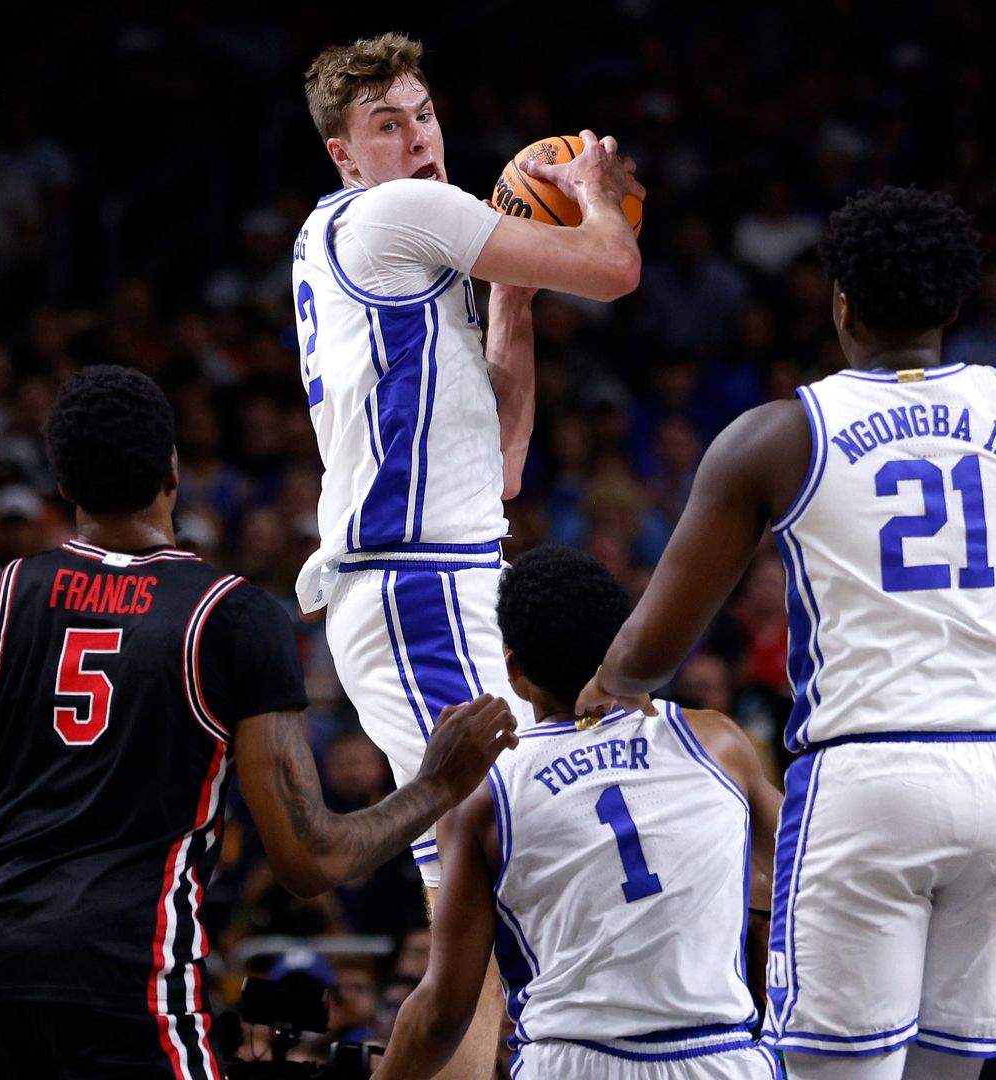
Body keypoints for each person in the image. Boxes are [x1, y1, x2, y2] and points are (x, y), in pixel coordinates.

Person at [579, 186, 996, 1078]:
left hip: (869, 775)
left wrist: (599, 689)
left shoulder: (774, 436)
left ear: (841, 302)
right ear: (954, 305)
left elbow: (652, 650)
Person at [0, 366, 518, 1080]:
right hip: (128, 964)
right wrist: (437, 784)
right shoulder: (231, 615)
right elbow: (310, 859)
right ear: (173, 471)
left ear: (63, 485)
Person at [294, 34, 643, 1075]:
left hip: (438, 576)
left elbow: (501, 463)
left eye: (424, 112)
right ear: (345, 157)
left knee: (489, 872)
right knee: (484, 872)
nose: (417, 137)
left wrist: (516, 295)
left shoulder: (390, 247)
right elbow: (616, 267)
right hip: (412, 584)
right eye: (386, 125)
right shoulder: (399, 212)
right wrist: (589, 190)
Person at [379, 545, 781, 1079]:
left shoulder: (486, 796)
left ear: (514, 670)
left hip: (571, 1060)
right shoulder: (716, 743)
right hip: (718, 1057)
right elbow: (813, 861)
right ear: (624, 639)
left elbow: (443, 1014)